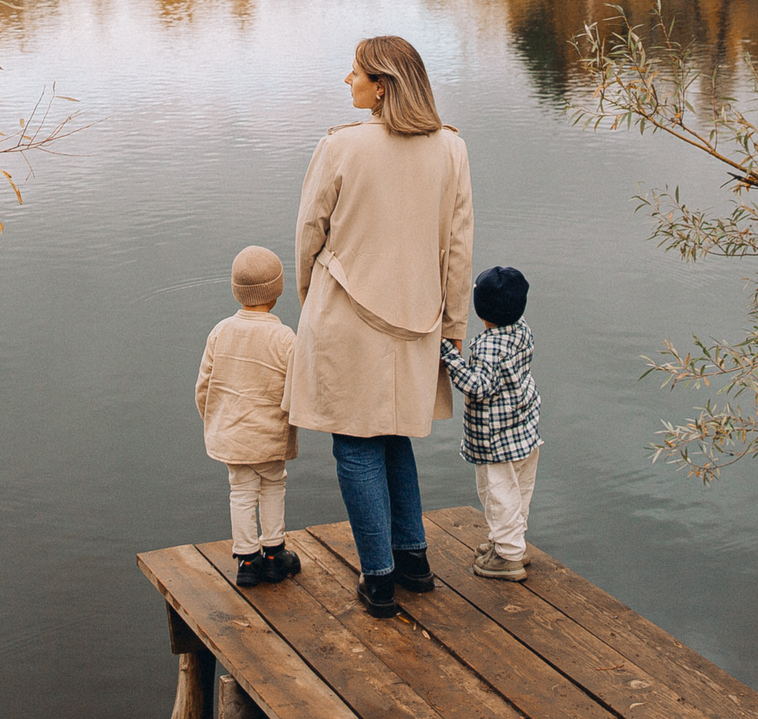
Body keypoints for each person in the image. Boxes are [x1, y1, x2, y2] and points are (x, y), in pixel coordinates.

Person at [289, 35, 475, 618]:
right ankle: (414, 560)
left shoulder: (340, 147)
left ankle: (379, 578)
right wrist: (454, 324)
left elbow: (308, 233)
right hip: (419, 317)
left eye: (356, 74)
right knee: (394, 434)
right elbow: (457, 248)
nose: (348, 81)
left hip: (347, 311)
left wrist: (308, 295)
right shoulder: (451, 149)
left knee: (355, 443)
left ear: (383, 86)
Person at [195, 246, 302, 587]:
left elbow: (204, 387)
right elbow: (297, 390)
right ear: (277, 290)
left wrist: (214, 420)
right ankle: (274, 554)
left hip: (232, 436)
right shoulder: (285, 338)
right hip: (269, 436)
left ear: (235, 290)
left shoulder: (220, 332)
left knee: (240, 491)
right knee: (273, 485)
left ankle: (246, 560)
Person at [440, 265, 541, 580]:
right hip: (524, 429)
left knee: (497, 493)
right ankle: (511, 544)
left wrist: (450, 356)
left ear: (480, 310)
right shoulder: (522, 329)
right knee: (519, 490)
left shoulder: (487, 346)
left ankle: (508, 558)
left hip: (495, 439)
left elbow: (478, 386)